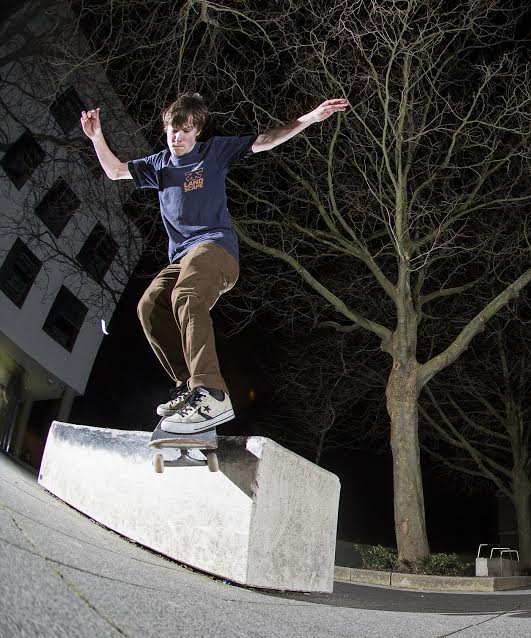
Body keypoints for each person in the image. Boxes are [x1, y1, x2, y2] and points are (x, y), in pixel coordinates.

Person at [81, 93, 349, 434]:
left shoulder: (213, 152)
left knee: (186, 294)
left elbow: (265, 140)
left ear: (197, 132)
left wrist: (309, 118)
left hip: (215, 250)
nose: (177, 138)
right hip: (181, 258)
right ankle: (190, 386)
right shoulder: (159, 165)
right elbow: (116, 170)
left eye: (185, 131)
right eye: (172, 132)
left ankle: (212, 392)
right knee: (149, 306)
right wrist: (96, 137)